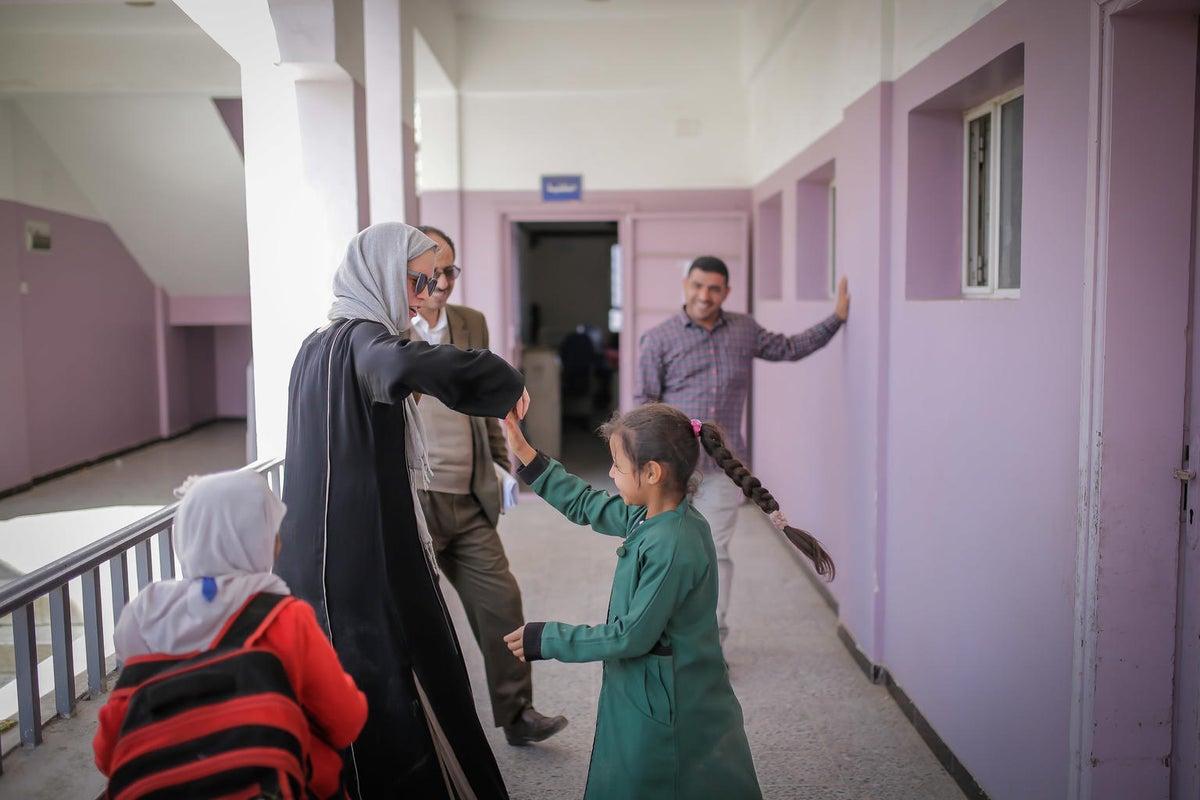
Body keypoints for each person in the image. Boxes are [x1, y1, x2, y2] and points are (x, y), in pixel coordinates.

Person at [274, 223, 529, 799]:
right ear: (380, 275)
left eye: (434, 280)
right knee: (397, 677)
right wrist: (504, 381)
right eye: (416, 280)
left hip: (316, 553)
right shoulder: (365, 341)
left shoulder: (316, 344)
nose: (423, 295)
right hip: (365, 553)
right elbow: (405, 366)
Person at [500, 403, 833, 799]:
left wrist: (548, 638)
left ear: (652, 473)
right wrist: (525, 453)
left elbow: (631, 637)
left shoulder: (674, 544)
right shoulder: (646, 515)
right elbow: (585, 504)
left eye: (618, 466)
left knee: (668, 780)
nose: (609, 473)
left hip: (671, 704)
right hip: (653, 691)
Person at [95, 469, 368, 800]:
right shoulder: (285, 619)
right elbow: (345, 722)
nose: (278, 542)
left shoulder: (142, 621)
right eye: (270, 531)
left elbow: (108, 752)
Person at [636, 256, 849, 643]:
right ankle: (664, 633)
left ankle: (709, 639)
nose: (705, 295)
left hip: (721, 469)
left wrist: (836, 318)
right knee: (666, 550)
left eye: (714, 288)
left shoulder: (744, 330)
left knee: (714, 551)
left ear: (726, 292)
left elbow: (790, 348)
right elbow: (645, 405)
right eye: (698, 285)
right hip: (671, 468)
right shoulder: (658, 338)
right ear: (685, 284)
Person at [410, 223, 568, 745]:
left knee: (501, 602)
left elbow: (486, 403)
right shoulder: (387, 328)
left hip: (469, 490)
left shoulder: (470, 322)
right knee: (417, 618)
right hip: (415, 499)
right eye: (431, 271)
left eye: (450, 270)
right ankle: (417, 729)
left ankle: (517, 713)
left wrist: (509, 465)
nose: (442, 281)